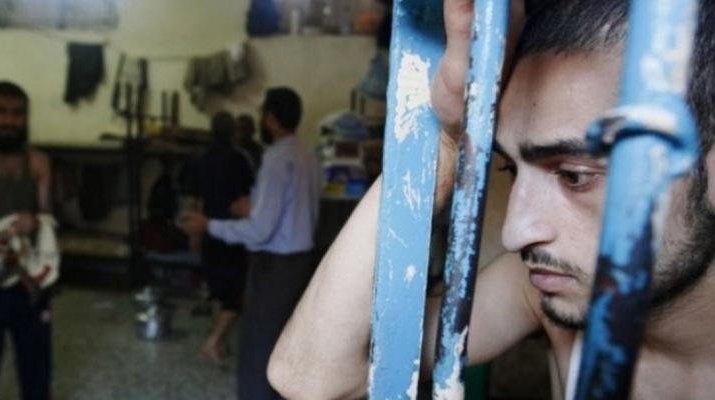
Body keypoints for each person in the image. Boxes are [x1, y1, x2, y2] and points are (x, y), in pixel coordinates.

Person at [267, 0, 715, 399]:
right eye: (509, 168)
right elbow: (309, 378)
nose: (515, 233)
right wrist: (447, 137)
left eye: (575, 176)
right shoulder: (548, 291)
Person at [180, 87, 320, 399]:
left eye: (261, 114)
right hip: (301, 262)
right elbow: (291, 210)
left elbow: (260, 231)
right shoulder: (308, 156)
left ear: (270, 118)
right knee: (287, 342)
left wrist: (208, 225)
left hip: (276, 267)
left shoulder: (276, 159)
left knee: (260, 346)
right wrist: (254, 206)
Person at [0, 81, 54, 400]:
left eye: (17, 114)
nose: (9, 121)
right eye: (0, 112)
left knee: (36, 367)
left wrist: (36, 222)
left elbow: (48, 222)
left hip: (28, 278)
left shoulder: (38, 163)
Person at [188, 111, 254, 366]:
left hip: (206, 229)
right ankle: (214, 341)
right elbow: (247, 200)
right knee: (235, 294)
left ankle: (219, 342)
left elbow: (194, 201)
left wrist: (195, 233)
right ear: (233, 132)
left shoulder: (200, 159)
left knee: (216, 289)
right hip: (231, 232)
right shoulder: (240, 160)